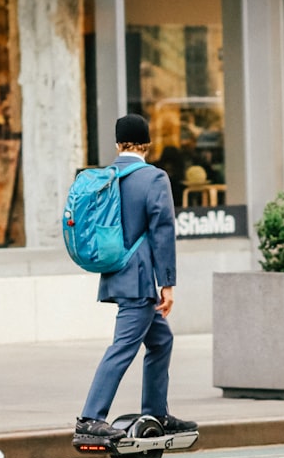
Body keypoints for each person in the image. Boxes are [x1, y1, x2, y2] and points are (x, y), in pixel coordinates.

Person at [74, 114, 197, 441]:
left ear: (117, 144)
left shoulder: (106, 177)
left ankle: (157, 412)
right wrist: (167, 283)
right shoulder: (154, 178)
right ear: (147, 143)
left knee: (161, 340)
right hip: (141, 280)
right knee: (123, 346)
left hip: (116, 272)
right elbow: (163, 231)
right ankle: (90, 418)